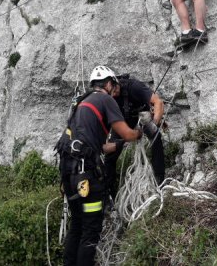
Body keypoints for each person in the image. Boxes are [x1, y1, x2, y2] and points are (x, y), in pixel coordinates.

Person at [59, 66, 142, 265]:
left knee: (77, 225)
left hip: (69, 173)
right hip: (86, 175)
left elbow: (98, 147)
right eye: (114, 85)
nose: (116, 90)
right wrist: (139, 131)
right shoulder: (105, 99)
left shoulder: (82, 103)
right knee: (91, 231)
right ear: (107, 83)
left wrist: (119, 145)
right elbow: (128, 133)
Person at [103, 74, 166, 201]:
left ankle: (160, 178)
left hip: (142, 116)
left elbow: (158, 102)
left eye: (115, 91)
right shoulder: (106, 97)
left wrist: (154, 124)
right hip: (123, 122)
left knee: (155, 137)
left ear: (116, 83)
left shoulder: (133, 87)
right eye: (111, 94)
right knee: (110, 157)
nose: (114, 95)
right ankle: (109, 192)